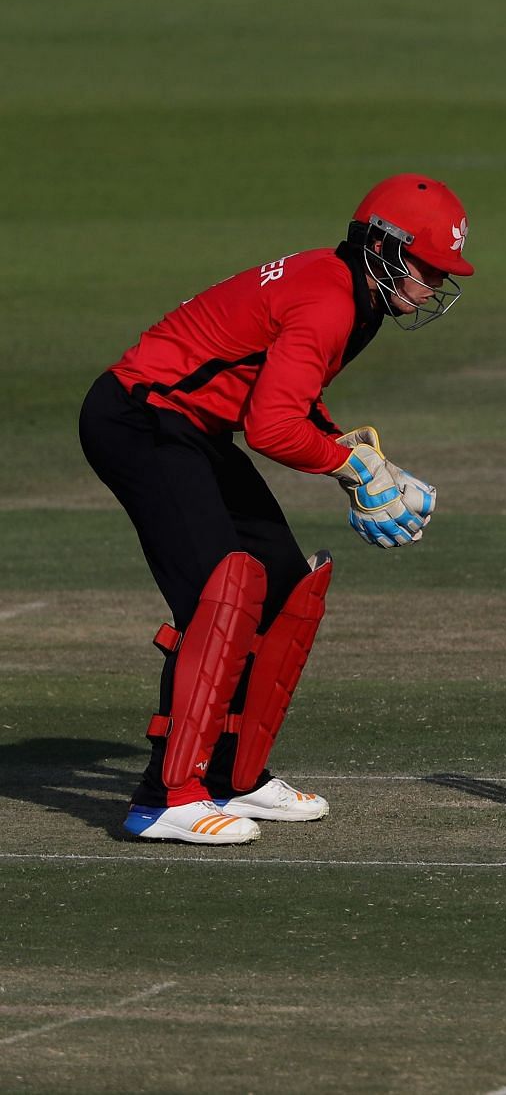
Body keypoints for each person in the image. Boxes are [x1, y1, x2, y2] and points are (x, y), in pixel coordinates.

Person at [78, 174, 473, 845]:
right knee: (218, 592)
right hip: (139, 420)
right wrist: (351, 468)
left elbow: (287, 391)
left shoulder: (360, 296)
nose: (435, 283)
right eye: (428, 267)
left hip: (191, 427)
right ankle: (165, 797)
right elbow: (271, 428)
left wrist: (360, 460)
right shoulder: (331, 299)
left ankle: (233, 776)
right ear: (383, 246)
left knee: (284, 584)